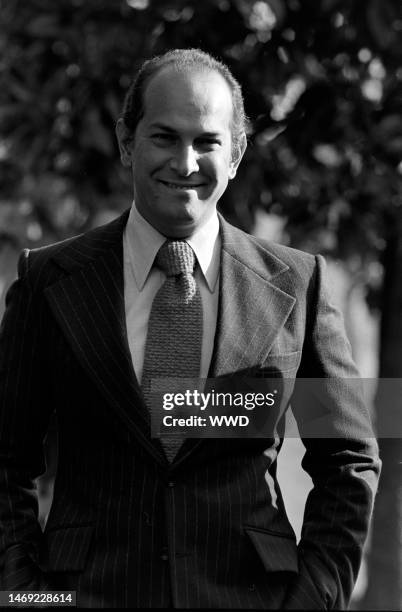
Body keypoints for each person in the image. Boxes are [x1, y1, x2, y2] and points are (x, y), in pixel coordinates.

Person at [0, 48, 380, 609]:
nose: (185, 162)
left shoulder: (300, 286)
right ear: (126, 141)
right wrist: (29, 601)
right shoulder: (49, 282)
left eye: (207, 141)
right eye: (163, 137)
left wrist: (310, 599)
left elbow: (346, 460)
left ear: (237, 153)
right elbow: (6, 460)